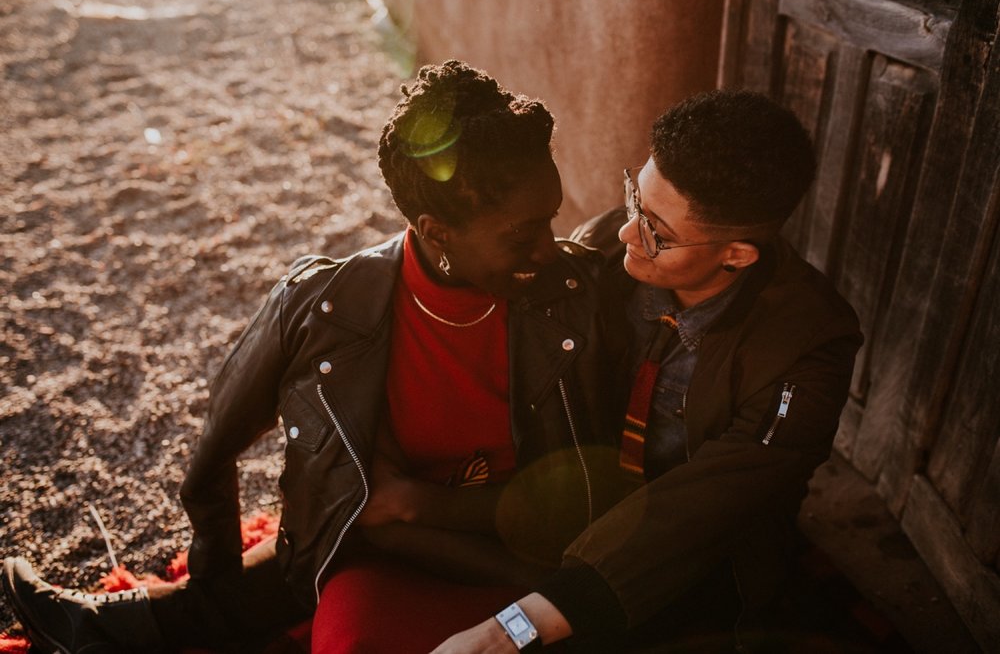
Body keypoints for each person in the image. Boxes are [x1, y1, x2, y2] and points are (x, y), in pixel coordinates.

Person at [2, 60, 624, 653]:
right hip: (373, 547)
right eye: (522, 234)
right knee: (343, 562)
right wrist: (214, 581)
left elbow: (580, 494)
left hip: (519, 558)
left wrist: (414, 502)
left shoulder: (572, 294)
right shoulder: (322, 307)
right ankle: (139, 621)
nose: (548, 249)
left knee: (360, 538)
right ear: (435, 232)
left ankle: (123, 623)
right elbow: (216, 449)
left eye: (550, 220)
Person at [431, 90, 864, 652]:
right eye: (636, 194)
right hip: (577, 497)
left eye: (658, 231)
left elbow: (698, 513)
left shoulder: (808, 348)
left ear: (736, 255)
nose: (625, 232)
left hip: (697, 552)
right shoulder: (609, 253)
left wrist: (507, 631)